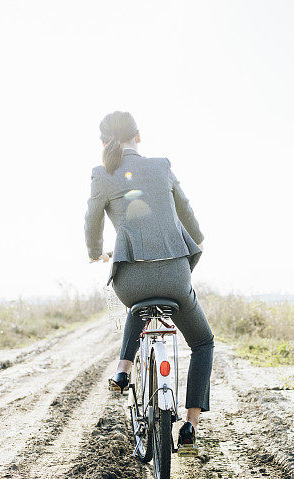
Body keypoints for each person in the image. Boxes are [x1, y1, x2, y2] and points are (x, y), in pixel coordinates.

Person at [84, 110, 214, 449]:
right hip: (174, 278)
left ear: (103, 142)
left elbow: (92, 222)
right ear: (138, 136)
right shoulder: (161, 166)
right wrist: (197, 239)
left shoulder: (102, 174)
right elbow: (187, 213)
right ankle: (190, 424)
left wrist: (96, 252)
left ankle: (123, 369)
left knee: (137, 309)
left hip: (131, 281)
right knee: (202, 344)